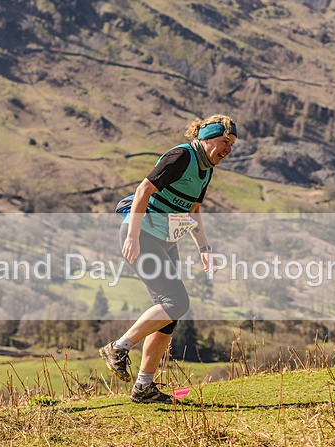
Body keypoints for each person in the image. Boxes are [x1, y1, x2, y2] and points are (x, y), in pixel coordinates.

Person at [100, 115, 237, 403]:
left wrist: (205, 249)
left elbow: (193, 211)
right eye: (225, 141)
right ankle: (118, 347)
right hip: (143, 234)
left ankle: (144, 387)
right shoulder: (181, 156)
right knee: (176, 303)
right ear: (207, 137)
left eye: (232, 144)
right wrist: (132, 237)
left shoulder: (206, 168)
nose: (228, 149)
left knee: (168, 316)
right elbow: (143, 191)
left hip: (166, 240)